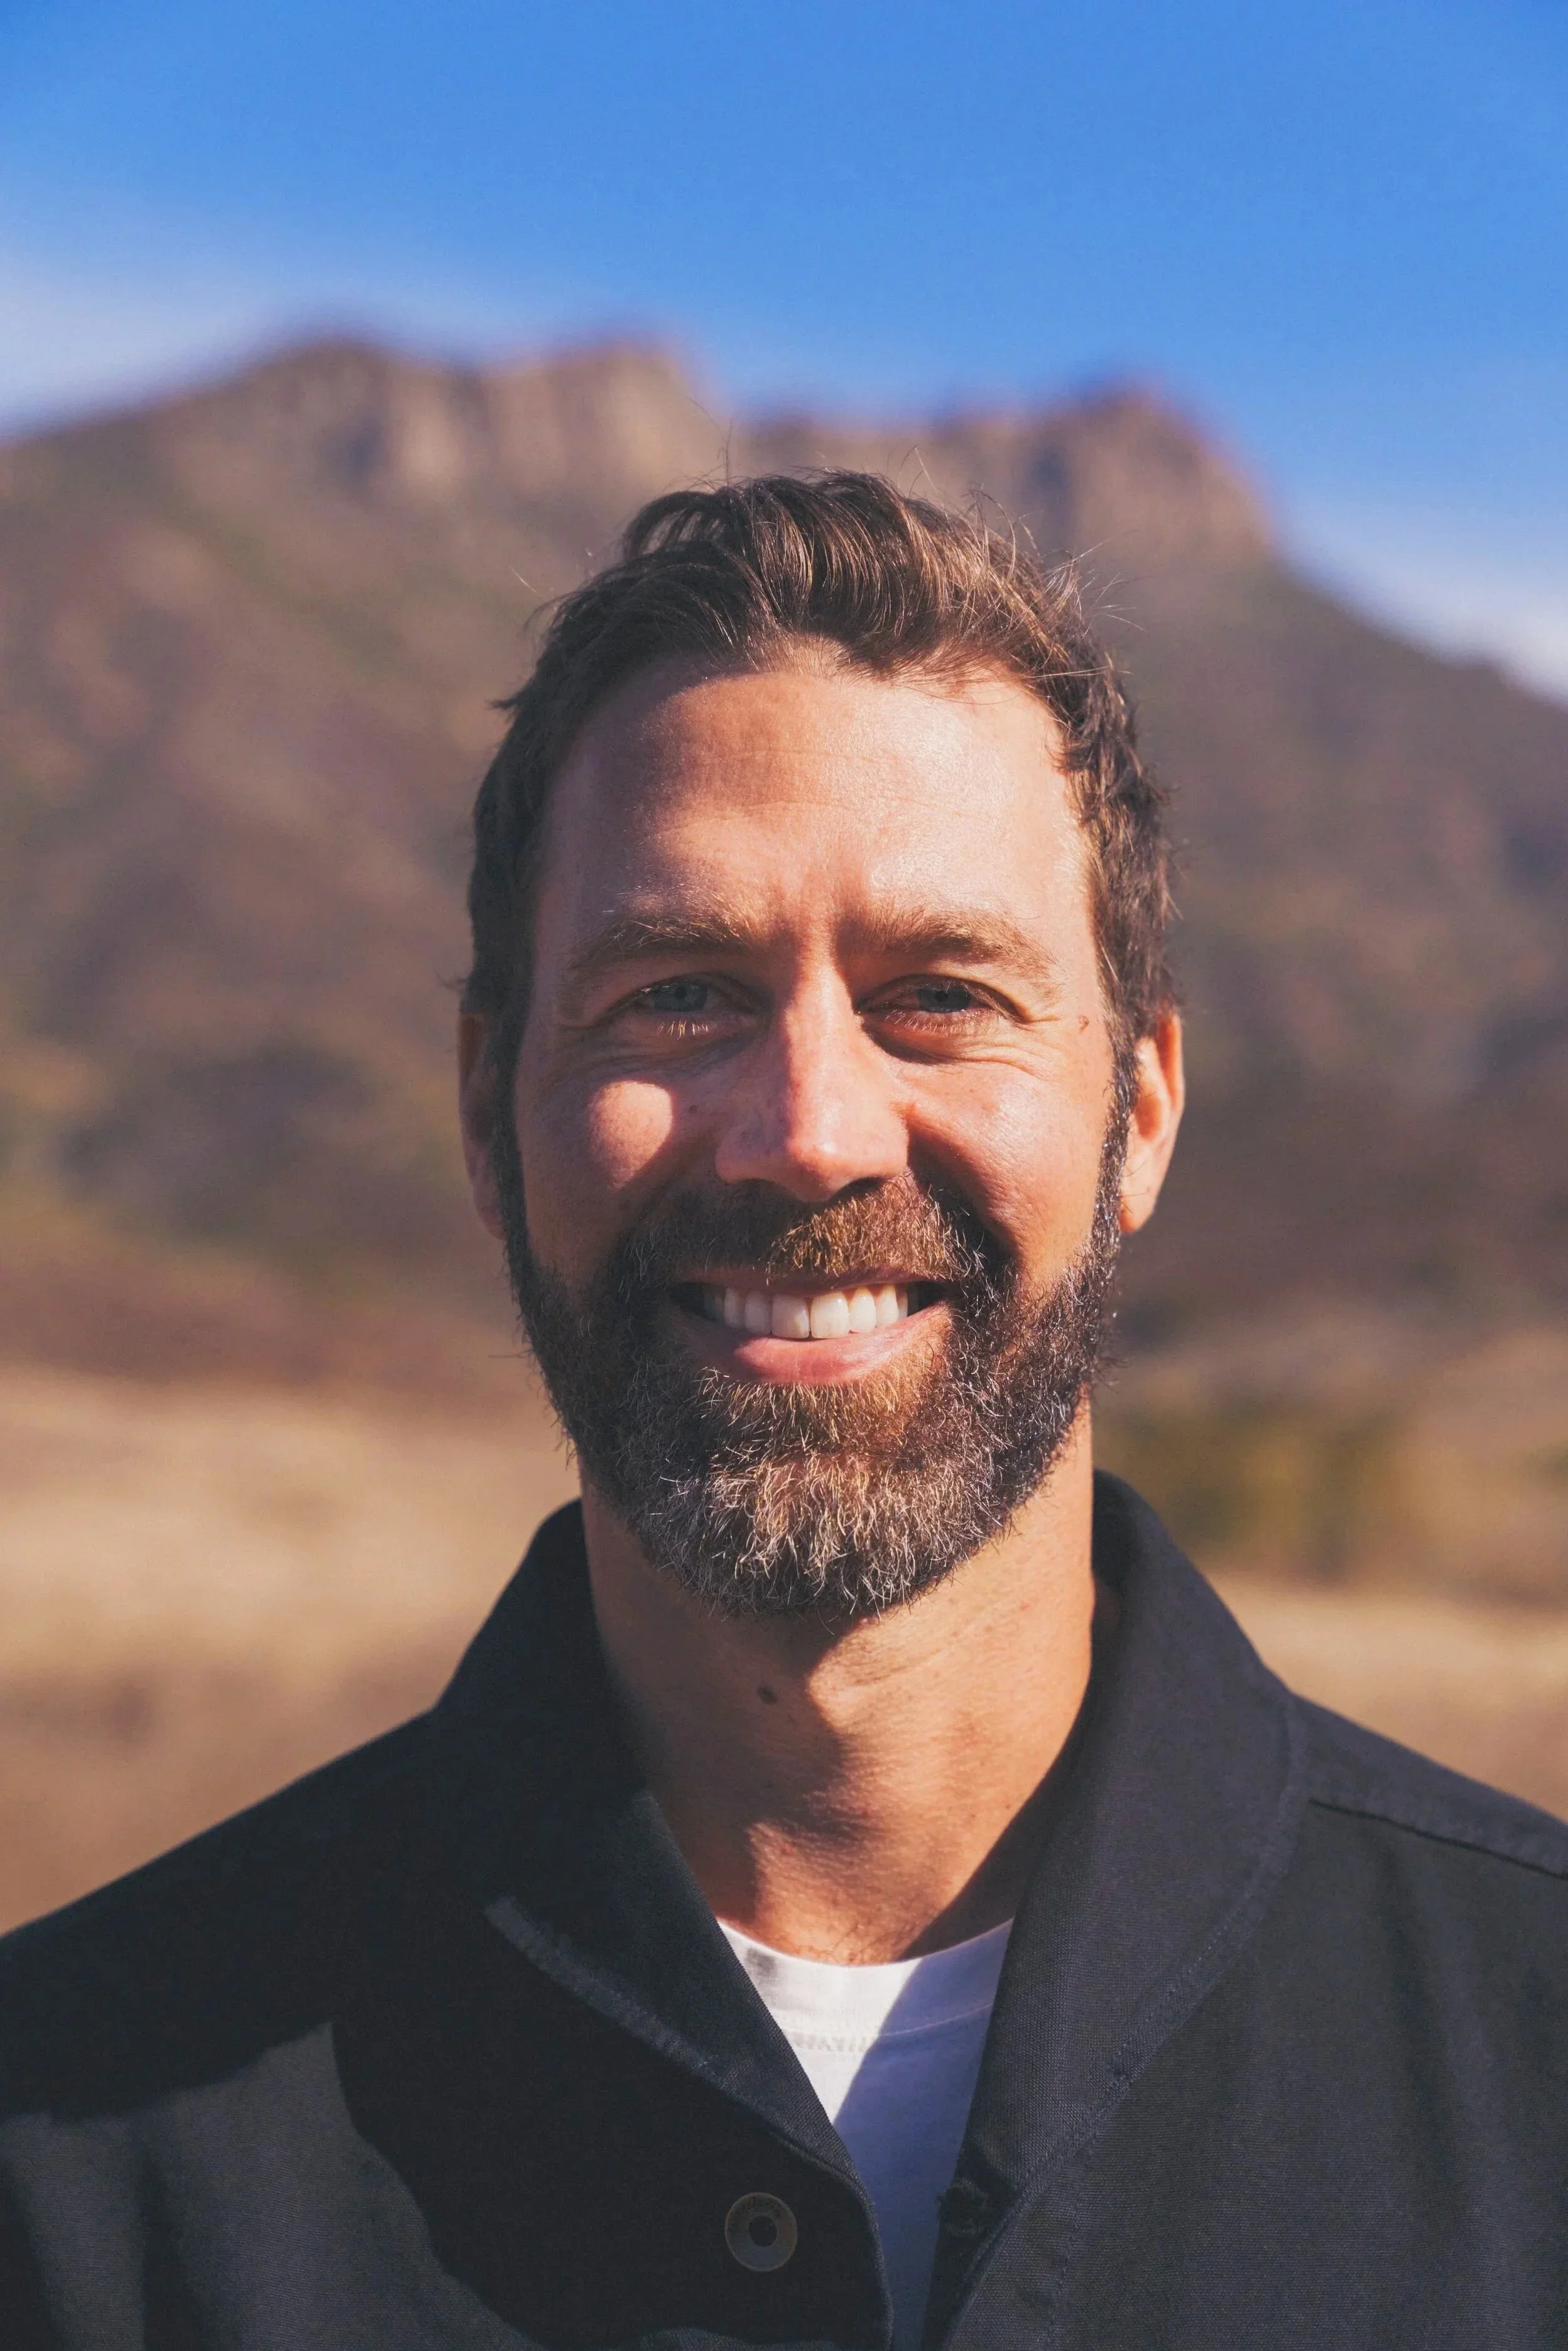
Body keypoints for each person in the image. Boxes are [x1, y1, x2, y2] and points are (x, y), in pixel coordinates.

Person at [1, 474, 1563, 2351]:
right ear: (490, 1109)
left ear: (1138, 1110)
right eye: (677, 993)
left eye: (939, 995)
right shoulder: (74, 2153)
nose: (809, 1123)